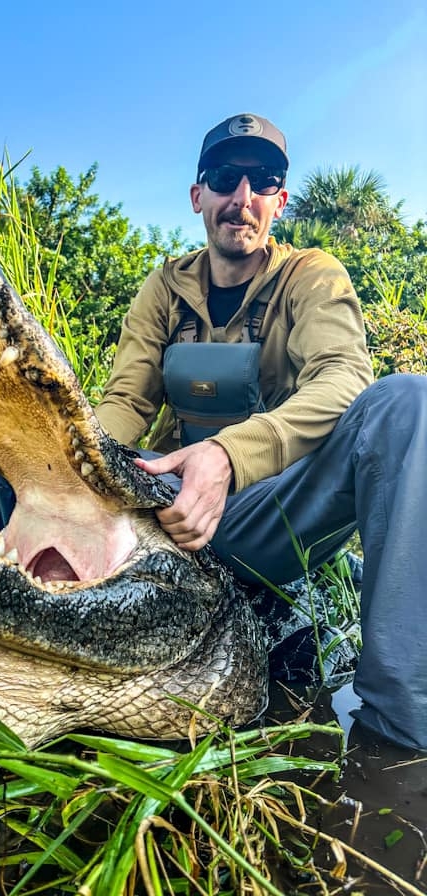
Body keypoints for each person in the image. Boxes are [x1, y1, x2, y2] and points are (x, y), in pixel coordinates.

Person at [92, 112, 427, 752]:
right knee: (18, 429)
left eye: (261, 179)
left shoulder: (312, 274)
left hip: (265, 517)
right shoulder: (162, 287)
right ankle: (23, 613)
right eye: (224, 178)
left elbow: (343, 379)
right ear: (198, 195)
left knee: (408, 401)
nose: (240, 199)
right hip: (163, 510)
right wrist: (73, 462)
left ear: (281, 198)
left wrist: (226, 456)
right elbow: (125, 402)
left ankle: (397, 736)